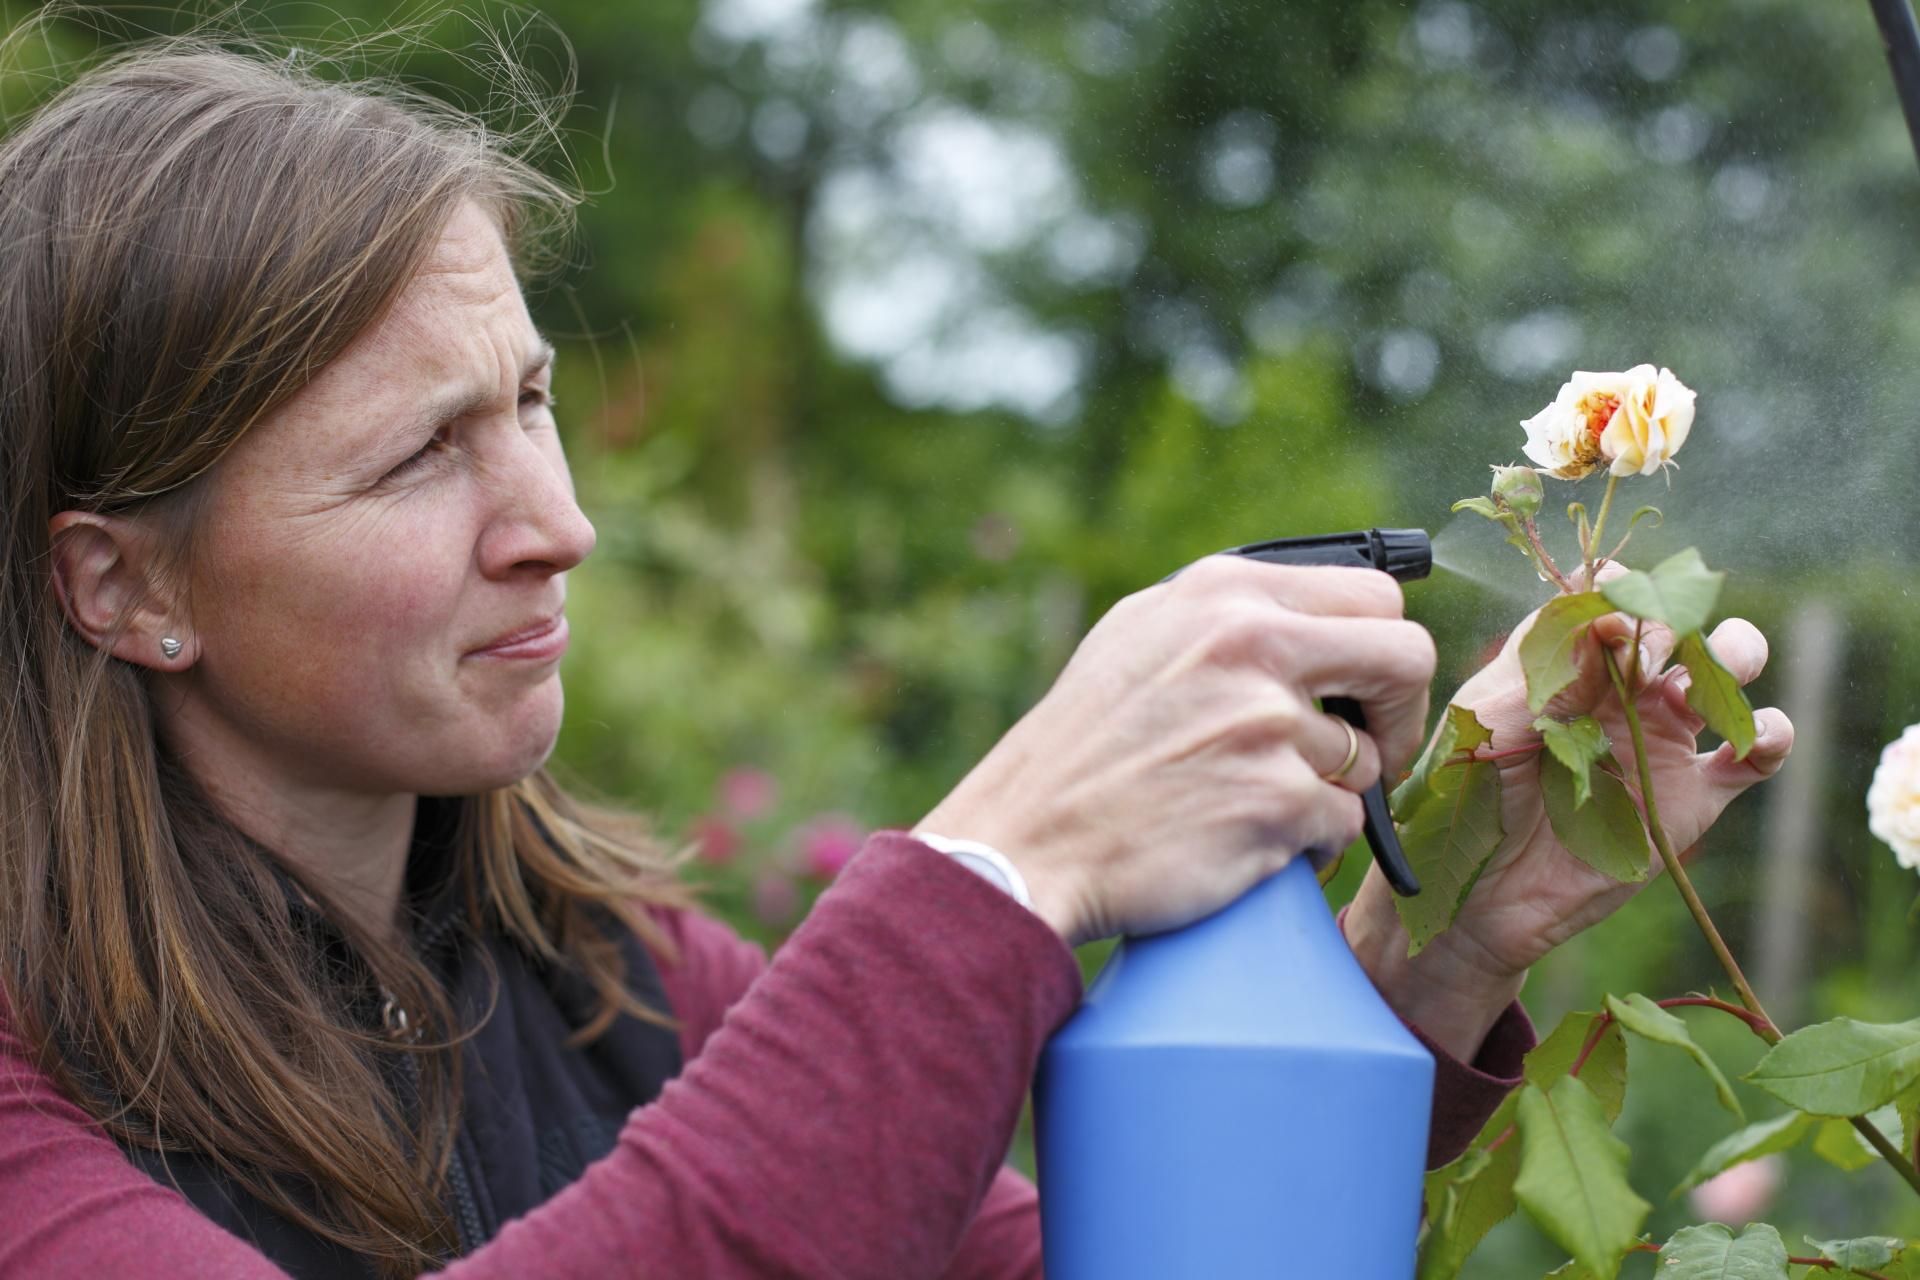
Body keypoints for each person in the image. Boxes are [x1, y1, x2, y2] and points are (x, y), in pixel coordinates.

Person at [0, 37, 1794, 1280]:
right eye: (417, 457)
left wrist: (1426, 950)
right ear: (121, 585)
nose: (557, 522)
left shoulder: (607, 979)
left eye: (530, 400)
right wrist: (1001, 867)